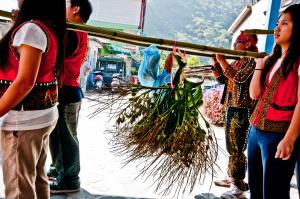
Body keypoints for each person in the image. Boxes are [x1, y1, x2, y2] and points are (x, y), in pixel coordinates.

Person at [0, 0, 66, 198]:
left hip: (23, 123)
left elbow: (25, 82)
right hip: (39, 119)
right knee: (36, 179)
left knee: (20, 188)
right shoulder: (45, 27)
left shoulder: (31, 29)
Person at [248, 4, 300, 199]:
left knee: (273, 192)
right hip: (255, 130)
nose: (276, 28)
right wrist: (259, 66)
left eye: (284, 23)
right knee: (256, 188)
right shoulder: (272, 59)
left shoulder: (298, 61)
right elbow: (255, 94)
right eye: (277, 23)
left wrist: (289, 138)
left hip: (278, 135)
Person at [48, 0, 92, 194]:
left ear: (75, 9)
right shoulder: (80, 32)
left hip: (68, 90)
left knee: (67, 138)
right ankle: (59, 169)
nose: (64, 7)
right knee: (57, 136)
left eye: (67, 4)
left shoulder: (73, 32)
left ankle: (70, 178)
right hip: (66, 90)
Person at [211, 32, 258, 198]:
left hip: (241, 110)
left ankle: (237, 185)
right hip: (232, 107)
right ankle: (232, 176)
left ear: (247, 44)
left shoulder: (252, 61)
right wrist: (217, 65)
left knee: (236, 148)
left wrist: (223, 60)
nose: (234, 45)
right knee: (232, 146)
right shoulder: (238, 61)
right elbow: (226, 80)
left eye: (237, 41)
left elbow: (238, 78)